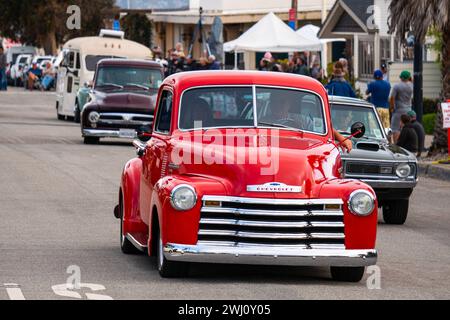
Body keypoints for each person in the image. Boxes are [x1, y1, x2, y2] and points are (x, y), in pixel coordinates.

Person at [390, 70, 413, 143]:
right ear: (409, 77)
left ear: (401, 77)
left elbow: (392, 98)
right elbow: (411, 80)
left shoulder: (397, 86)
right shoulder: (411, 86)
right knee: (406, 128)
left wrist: (392, 108)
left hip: (399, 110)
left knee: (395, 129)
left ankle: (397, 146)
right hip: (408, 110)